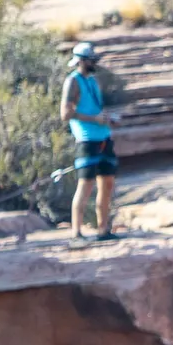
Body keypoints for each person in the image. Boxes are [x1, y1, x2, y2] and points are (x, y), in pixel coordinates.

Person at [62, 43, 116, 241]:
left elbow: (94, 107)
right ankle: (76, 233)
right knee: (85, 185)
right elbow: (65, 113)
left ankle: (103, 230)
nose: (95, 63)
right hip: (86, 140)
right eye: (91, 60)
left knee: (107, 183)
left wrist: (106, 119)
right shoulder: (73, 81)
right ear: (82, 61)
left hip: (103, 137)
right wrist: (95, 119)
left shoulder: (93, 81)